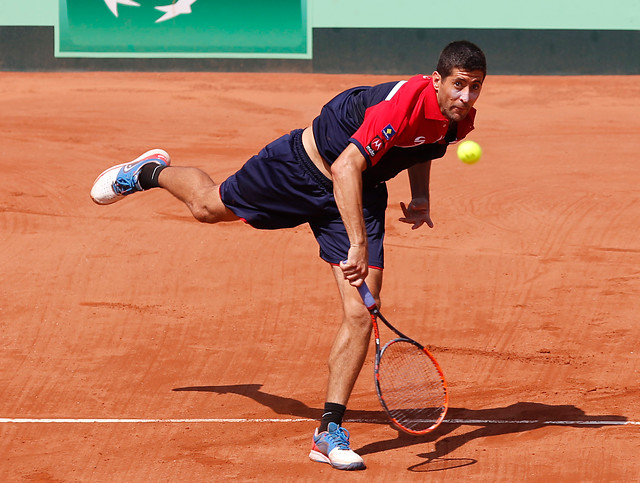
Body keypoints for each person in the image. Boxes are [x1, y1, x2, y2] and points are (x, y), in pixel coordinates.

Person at [91, 40, 487, 471]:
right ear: (437, 80)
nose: (465, 97)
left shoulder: (456, 121)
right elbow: (344, 167)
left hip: (361, 193)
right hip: (302, 168)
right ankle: (148, 172)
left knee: (361, 313)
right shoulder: (401, 104)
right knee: (208, 208)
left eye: (475, 88)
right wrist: (357, 244)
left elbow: (421, 146)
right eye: (459, 85)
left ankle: (328, 431)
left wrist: (421, 197)